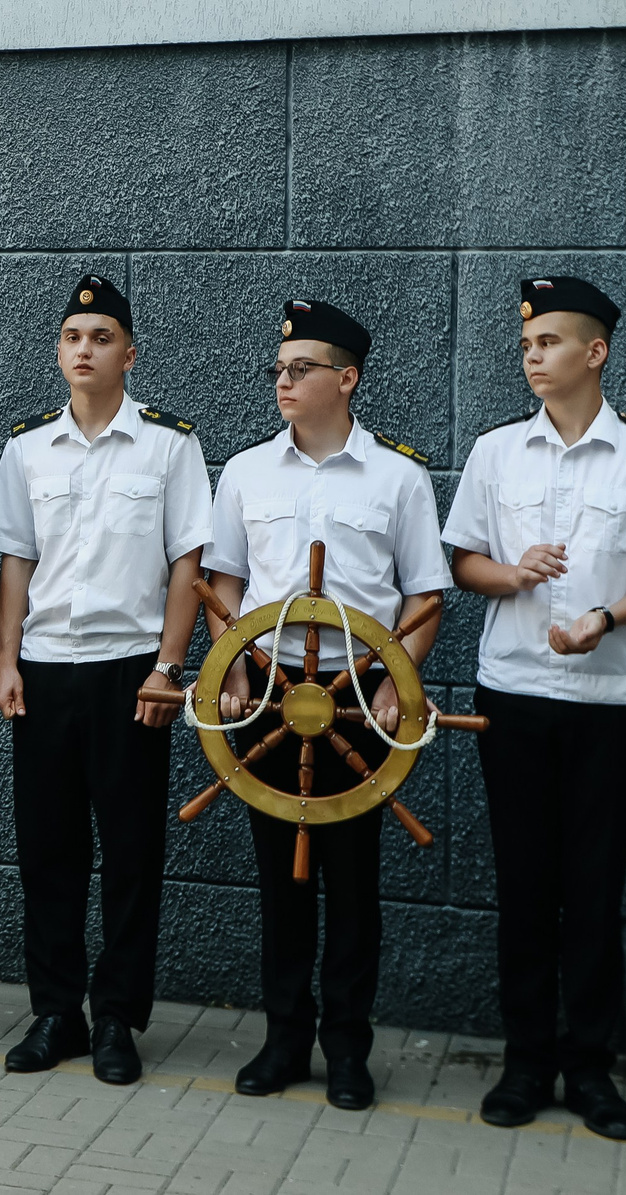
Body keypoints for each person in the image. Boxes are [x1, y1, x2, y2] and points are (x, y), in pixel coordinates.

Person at [446, 277, 626, 1142]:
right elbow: (464, 564)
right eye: (526, 345)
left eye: (550, 342)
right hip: (514, 693)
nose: (533, 356)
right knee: (525, 884)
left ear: (595, 352)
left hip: (612, 701)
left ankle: (591, 1068)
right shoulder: (495, 453)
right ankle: (525, 1063)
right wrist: (513, 572)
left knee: (594, 888)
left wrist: (604, 617)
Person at [206, 299, 451, 1113]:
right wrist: (233, 660)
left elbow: (425, 595)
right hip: (271, 695)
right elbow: (224, 584)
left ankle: (347, 1048)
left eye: (301, 368)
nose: (283, 379)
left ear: (347, 378)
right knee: (280, 881)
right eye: (279, 368)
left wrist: (392, 682)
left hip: (359, 706)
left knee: (352, 884)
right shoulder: (244, 472)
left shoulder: (400, 477)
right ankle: (284, 1040)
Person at [0, 276, 212, 1083]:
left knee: (130, 853)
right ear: (60, 350)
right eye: (73, 336)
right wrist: (6, 659)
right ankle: (56, 1012)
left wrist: (168, 667)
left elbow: (191, 562)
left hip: (130, 675)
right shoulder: (26, 448)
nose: (85, 348)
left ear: (129, 352)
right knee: (47, 852)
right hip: (45, 672)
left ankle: (117, 1017)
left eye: (101, 337)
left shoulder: (168, 446)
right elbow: (16, 560)